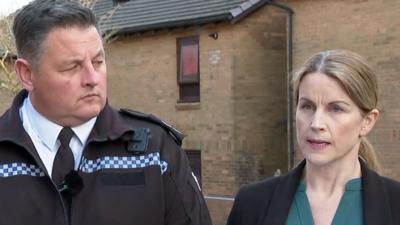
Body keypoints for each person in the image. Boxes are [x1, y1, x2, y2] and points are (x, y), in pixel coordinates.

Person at [0, 0, 212, 225]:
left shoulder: (155, 151)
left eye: (98, 62)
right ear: (27, 74)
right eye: (72, 67)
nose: (92, 79)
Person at [227, 50, 400, 225]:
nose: (316, 124)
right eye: (307, 106)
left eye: (336, 109)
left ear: (367, 122)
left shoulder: (395, 205)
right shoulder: (252, 203)